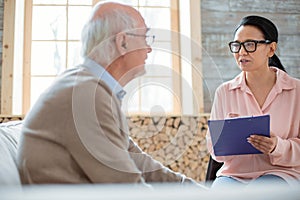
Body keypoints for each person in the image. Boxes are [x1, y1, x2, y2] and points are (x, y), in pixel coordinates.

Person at [17, 2, 204, 188]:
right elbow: (127, 188)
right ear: (123, 42)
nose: (149, 48)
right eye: (145, 37)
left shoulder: (91, 87)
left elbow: (139, 163)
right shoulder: (86, 95)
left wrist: (196, 191)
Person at [206, 15, 300, 187]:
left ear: (271, 49)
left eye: (250, 44)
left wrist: (276, 146)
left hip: (282, 174)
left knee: (260, 192)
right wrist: (226, 143)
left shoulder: (296, 91)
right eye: (237, 45)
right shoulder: (224, 92)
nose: (242, 52)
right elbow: (214, 149)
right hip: (233, 176)